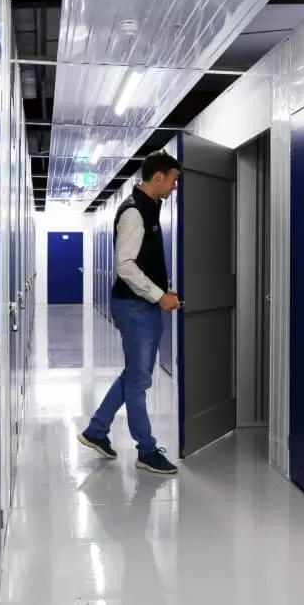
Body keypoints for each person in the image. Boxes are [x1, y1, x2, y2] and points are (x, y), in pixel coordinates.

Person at [79, 150, 182, 475]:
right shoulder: (134, 212)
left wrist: (163, 293)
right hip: (135, 306)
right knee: (139, 380)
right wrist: (157, 295)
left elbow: (144, 263)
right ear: (159, 177)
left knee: (134, 375)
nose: (175, 187)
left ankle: (97, 430)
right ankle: (146, 450)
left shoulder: (150, 208)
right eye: (174, 180)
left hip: (143, 304)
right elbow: (125, 266)